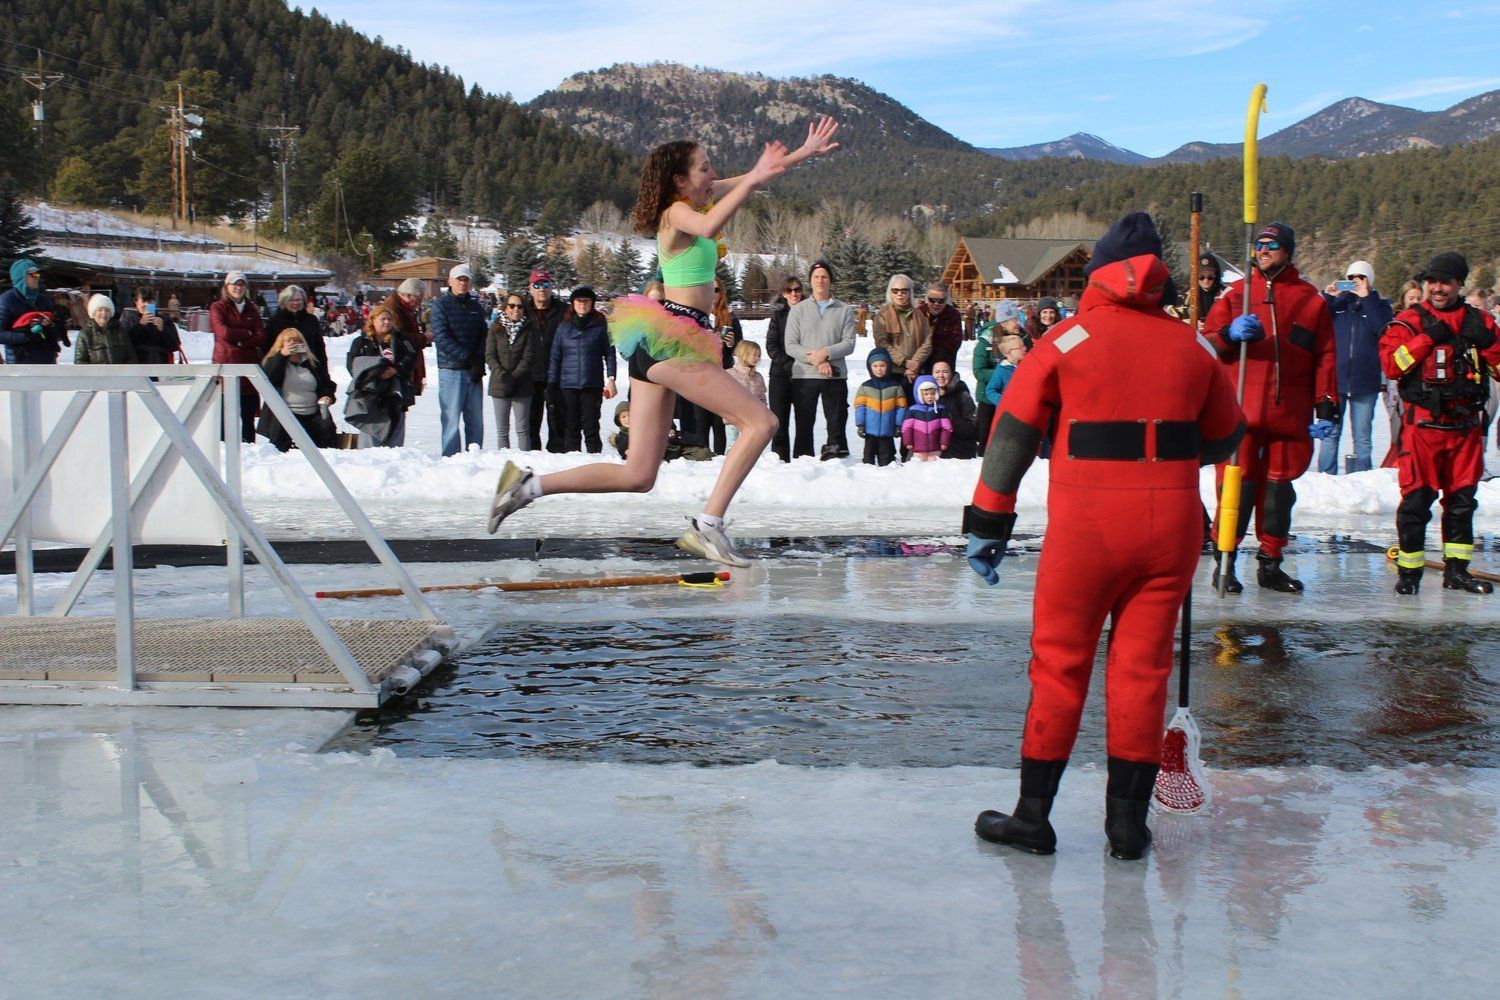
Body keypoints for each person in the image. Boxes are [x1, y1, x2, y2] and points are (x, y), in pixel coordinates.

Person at [965, 212, 1245, 861]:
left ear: (1097, 276)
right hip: (1170, 527)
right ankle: (1128, 826)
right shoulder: (1193, 347)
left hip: (1087, 530)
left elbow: (1010, 437)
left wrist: (988, 523)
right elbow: (1229, 432)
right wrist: (1166, 457)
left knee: (1061, 666)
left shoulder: (1064, 341)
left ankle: (1033, 818)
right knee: (1142, 671)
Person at [487, 118, 839, 566]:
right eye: (705, 168)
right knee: (762, 423)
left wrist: (797, 156)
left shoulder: (698, 200)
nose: (714, 176)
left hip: (665, 341)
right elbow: (711, 225)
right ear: (680, 179)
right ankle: (708, 526)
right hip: (672, 339)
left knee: (638, 474)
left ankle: (527, 486)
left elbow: (748, 180)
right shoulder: (677, 214)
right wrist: (754, 178)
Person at [1203, 222, 1337, 593]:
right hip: (1241, 409)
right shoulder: (1235, 296)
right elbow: (1207, 345)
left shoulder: (1310, 300)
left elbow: (1325, 356)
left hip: (1289, 411)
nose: (1263, 251)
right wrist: (1229, 335)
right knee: (1236, 489)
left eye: (1272, 245)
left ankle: (1270, 563)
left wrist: (1326, 406)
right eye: (1259, 245)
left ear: (1288, 251)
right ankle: (1225, 564)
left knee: (1279, 493)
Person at [1381, 252, 1500, 595]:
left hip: (1465, 429)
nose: (1437, 288)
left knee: (1462, 504)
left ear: (1459, 285)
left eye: (1445, 282)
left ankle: (1457, 572)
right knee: (1416, 505)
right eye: (1431, 281)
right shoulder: (1408, 321)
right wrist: (1427, 339)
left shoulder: (1481, 323)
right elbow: (1392, 365)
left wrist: (1490, 343)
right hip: (1423, 429)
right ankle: (1409, 573)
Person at [1320, 260, 1392, 474]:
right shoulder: (1338, 305)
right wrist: (1328, 297)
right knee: (1330, 433)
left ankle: (1361, 480)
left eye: (1360, 280)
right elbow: (1316, 319)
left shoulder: (1380, 305)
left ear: (1369, 281)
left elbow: (1382, 329)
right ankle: (1326, 478)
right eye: (1351, 280)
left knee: (1362, 437)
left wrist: (1366, 298)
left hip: (1365, 383)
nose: (1355, 284)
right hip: (1337, 381)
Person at [785, 259, 857, 460]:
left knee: (836, 422)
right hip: (804, 376)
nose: (820, 280)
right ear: (810, 280)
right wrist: (817, 360)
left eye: (824, 276)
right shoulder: (798, 310)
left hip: (834, 376)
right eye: (816, 276)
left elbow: (849, 343)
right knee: (804, 423)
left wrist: (826, 353)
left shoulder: (844, 310)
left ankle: (836, 457)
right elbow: (791, 345)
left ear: (830, 281)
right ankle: (803, 459)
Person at [548, 286, 616, 453]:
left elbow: (609, 353)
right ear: (573, 303)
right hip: (568, 385)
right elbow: (556, 356)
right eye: (579, 300)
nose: (582, 304)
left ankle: (594, 461)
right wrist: (552, 383)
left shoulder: (600, 326)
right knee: (571, 427)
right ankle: (574, 462)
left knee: (591, 427)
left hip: (591, 384)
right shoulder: (564, 327)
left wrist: (611, 379)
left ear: (592, 303)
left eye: (586, 300)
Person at [428, 263, 487, 456]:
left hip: (473, 370)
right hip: (451, 369)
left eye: (466, 280)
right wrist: (466, 357)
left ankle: (475, 454)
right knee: (451, 418)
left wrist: (478, 359)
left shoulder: (476, 306)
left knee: (475, 419)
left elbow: (482, 334)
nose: (463, 283)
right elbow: (442, 337)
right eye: (459, 280)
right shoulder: (440, 306)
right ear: (450, 282)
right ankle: (451, 458)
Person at [345, 305, 416, 448]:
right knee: (371, 436)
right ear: (372, 320)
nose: (387, 322)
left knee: (395, 436)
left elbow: (411, 358)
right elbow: (353, 365)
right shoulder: (361, 342)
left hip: (395, 394)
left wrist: (395, 369)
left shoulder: (400, 340)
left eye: (389, 319)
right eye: (383, 319)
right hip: (371, 395)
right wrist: (376, 373)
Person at [209, 270, 268, 443]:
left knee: (248, 415)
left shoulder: (251, 308)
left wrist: (241, 341)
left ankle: (249, 447)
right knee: (224, 414)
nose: (238, 288)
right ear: (227, 287)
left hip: (248, 370)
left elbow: (261, 336)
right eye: (235, 284)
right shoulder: (218, 307)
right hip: (226, 367)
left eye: (242, 284)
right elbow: (223, 332)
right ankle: (223, 448)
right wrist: (247, 333)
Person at [257, 326, 335, 452]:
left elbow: (326, 384)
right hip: (286, 415)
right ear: (281, 344)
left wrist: (327, 396)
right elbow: (267, 380)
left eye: (297, 340)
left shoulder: (312, 363)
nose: (293, 343)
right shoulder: (275, 361)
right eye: (289, 341)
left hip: (313, 414)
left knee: (323, 443)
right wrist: (282, 356)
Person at [524, 269, 568, 452]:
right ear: (531, 288)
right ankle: (533, 458)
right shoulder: (522, 310)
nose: (542, 289)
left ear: (551, 287)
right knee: (531, 422)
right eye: (537, 285)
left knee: (557, 422)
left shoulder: (564, 311)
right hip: (530, 375)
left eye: (546, 285)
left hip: (556, 375)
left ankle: (556, 459)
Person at [485, 292, 536, 450]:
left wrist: (514, 377)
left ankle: (523, 464)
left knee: (522, 430)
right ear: (505, 307)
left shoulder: (529, 329)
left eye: (520, 306)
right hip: (499, 385)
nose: (515, 309)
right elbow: (490, 355)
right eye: (512, 305)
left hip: (522, 385)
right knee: (502, 431)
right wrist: (502, 375)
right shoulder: (495, 328)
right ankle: (504, 463)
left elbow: (528, 357)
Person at [763, 277, 803, 461]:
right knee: (779, 421)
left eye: (797, 289)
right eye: (789, 290)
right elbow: (771, 345)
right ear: (783, 293)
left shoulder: (807, 313)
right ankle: (780, 460)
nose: (793, 294)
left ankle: (803, 460)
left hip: (804, 375)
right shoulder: (778, 315)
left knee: (804, 422)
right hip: (780, 374)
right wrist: (787, 364)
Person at [0, 259, 66, 364]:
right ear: (21, 277)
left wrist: (51, 326)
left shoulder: (44, 300)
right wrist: (26, 335)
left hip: (47, 362)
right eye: (33, 275)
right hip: (20, 365)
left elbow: (56, 334)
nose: (37, 278)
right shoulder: (6, 300)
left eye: (38, 275)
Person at [872, 274, 931, 385]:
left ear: (910, 293)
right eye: (895, 290)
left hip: (914, 372)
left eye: (904, 291)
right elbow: (881, 343)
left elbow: (927, 342)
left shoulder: (919, 315)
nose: (899, 294)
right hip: (892, 372)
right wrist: (904, 361)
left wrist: (915, 362)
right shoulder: (882, 315)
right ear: (890, 292)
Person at [265, 285, 332, 383]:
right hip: (281, 373)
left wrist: (324, 375)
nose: (295, 303)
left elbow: (320, 350)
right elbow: (267, 349)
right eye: (291, 300)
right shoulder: (274, 321)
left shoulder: (311, 320)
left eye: (299, 300)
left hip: (309, 371)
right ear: (284, 301)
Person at [852, 346, 907, 466]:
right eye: (875, 366)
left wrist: (898, 425)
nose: (879, 369)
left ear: (888, 366)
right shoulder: (865, 387)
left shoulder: (895, 387)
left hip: (887, 431)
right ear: (870, 368)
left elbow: (901, 407)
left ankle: (887, 475)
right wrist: (860, 425)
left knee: (887, 457)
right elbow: (860, 406)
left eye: (882, 365)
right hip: (870, 431)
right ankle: (867, 474)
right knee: (868, 456)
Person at [381, 278, 429, 396]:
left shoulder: (404, 307)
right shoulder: (393, 307)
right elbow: (399, 337)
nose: (418, 304)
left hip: (403, 364)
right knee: (396, 404)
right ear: (408, 295)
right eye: (418, 300)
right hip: (396, 364)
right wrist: (424, 338)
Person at [120, 287, 181, 364]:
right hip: (137, 365)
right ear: (136, 302)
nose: (146, 304)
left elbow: (175, 346)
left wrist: (163, 330)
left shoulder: (165, 320)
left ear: (154, 302)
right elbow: (123, 344)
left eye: (150, 301)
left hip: (161, 366)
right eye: (143, 301)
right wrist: (140, 325)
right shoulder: (129, 320)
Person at [931, 360, 978, 459]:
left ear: (952, 374)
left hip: (957, 450)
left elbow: (974, 428)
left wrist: (950, 420)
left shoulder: (961, 395)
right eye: (937, 372)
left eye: (945, 372)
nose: (941, 375)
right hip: (931, 452)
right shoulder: (925, 395)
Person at [725, 339, 766, 452]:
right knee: (732, 446)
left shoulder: (758, 377)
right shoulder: (730, 374)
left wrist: (763, 414)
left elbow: (762, 398)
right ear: (744, 354)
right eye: (754, 354)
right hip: (734, 419)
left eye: (759, 355)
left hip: (752, 420)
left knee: (750, 447)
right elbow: (724, 399)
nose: (757, 358)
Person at [74, 294, 136, 364]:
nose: (104, 314)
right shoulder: (85, 334)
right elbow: (80, 361)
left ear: (111, 313)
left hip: (119, 374)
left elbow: (131, 357)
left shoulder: (121, 331)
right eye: (100, 310)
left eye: (107, 310)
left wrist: (123, 372)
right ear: (93, 313)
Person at [902, 374, 951, 461]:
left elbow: (946, 428)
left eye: (932, 393)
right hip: (918, 448)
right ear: (920, 395)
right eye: (926, 394)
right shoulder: (913, 410)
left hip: (935, 447)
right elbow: (906, 428)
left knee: (933, 468)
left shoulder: (940, 409)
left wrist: (944, 442)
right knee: (918, 467)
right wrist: (908, 441)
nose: (929, 397)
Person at [920, 283, 963, 372]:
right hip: (919, 362)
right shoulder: (918, 313)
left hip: (943, 364)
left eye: (941, 301)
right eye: (932, 300)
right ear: (926, 299)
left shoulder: (953, 315)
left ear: (946, 300)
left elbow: (954, 341)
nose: (936, 304)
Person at [985, 332, 1027, 406]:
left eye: (1024, 345)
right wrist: (1004, 402)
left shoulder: (1025, 365)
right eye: (1020, 347)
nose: (1025, 348)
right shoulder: (1002, 370)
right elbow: (990, 391)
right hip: (1008, 412)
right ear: (1009, 352)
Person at [1183, 254, 1225, 326]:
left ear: (1216, 276)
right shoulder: (1186, 297)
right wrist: (1191, 323)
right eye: (1201, 277)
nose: (1206, 281)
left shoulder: (1225, 294)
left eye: (1210, 277)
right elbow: (1176, 320)